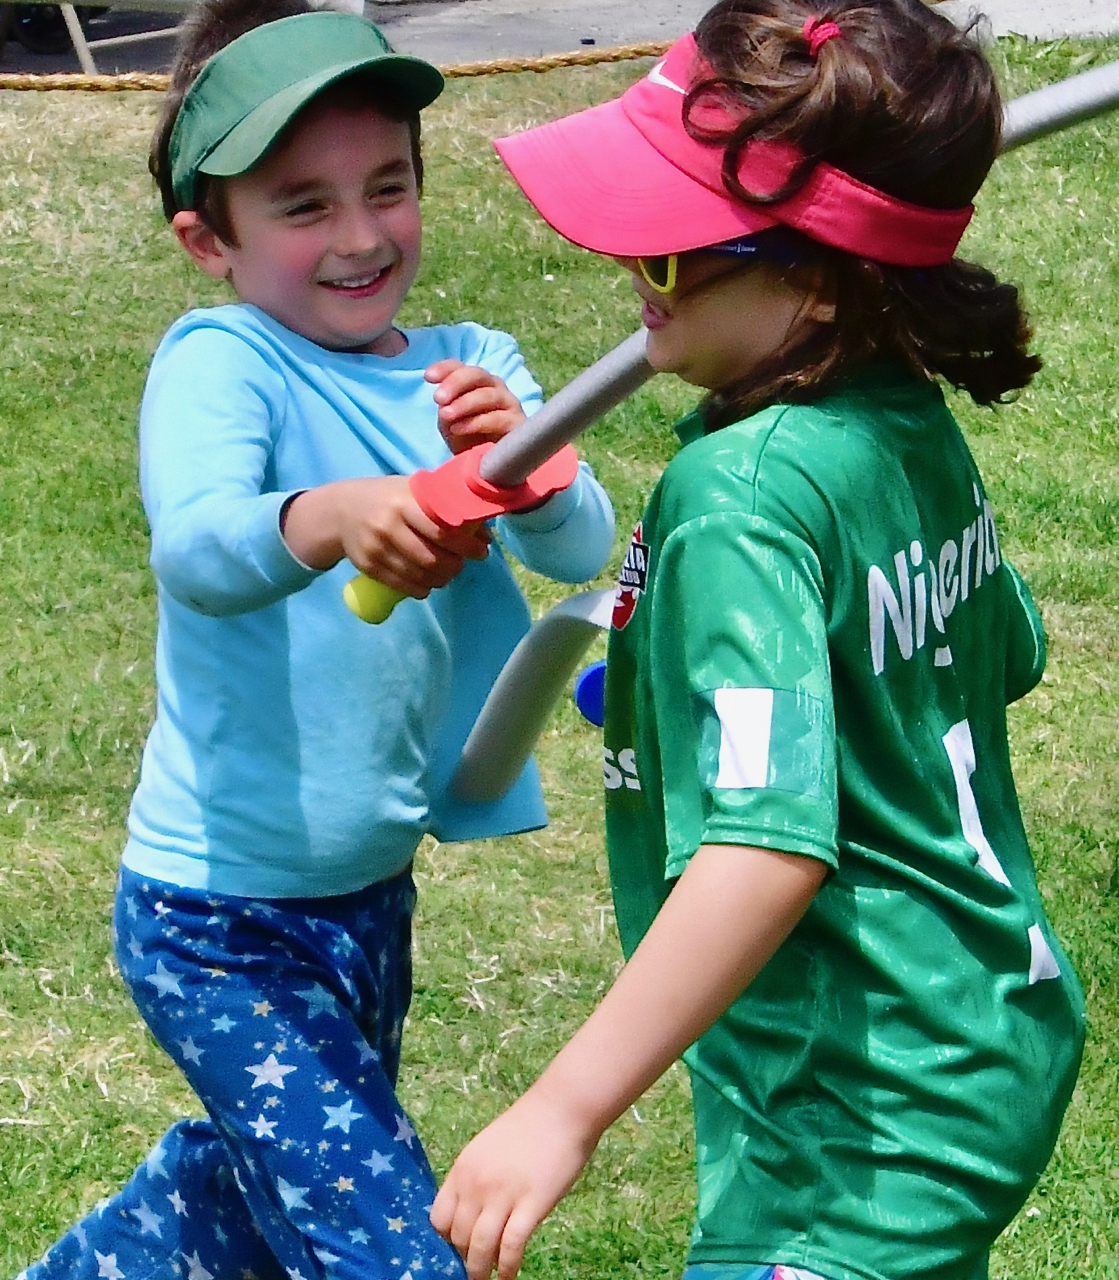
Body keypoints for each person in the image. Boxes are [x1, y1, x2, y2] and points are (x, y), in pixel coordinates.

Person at [429, 4, 1086, 1279]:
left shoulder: (738, 494)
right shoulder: (903, 417)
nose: (632, 276)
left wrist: (559, 1112)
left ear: (821, 265)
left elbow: (761, 850)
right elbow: (1003, 649)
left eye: (670, 255)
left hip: (855, 1117)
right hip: (977, 1023)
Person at [12, 2, 613, 1278]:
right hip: (216, 912)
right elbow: (201, 544)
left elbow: (577, 548)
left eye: (386, 188)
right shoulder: (225, 361)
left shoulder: (467, 369)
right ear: (206, 238)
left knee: (250, 1191)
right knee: (387, 1247)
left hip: (364, 895)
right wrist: (334, 516)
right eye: (303, 205)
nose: (359, 236)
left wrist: (537, 465)